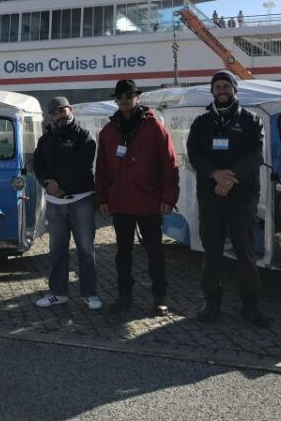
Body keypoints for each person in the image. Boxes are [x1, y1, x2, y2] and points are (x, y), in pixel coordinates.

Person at [186, 71, 268, 327]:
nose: (221, 90)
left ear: (235, 90)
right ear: (212, 91)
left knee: (245, 250)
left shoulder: (252, 120)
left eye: (226, 86)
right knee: (212, 250)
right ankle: (211, 303)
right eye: (217, 86)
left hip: (243, 194)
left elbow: (256, 155)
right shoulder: (201, 122)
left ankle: (251, 305)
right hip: (210, 194)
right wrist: (215, 174)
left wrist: (229, 179)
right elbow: (194, 154)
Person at [96, 79, 179, 316]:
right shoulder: (108, 131)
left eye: (128, 95)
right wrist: (102, 198)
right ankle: (124, 295)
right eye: (120, 96)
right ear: (116, 100)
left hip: (149, 201)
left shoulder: (155, 128)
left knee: (155, 252)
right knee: (123, 253)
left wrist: (169, 198)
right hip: (120, 201)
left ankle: (160, 297)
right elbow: (101, 168)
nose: (124, 100)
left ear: (137, 98)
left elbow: (169, 165)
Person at [33, 96, 101, 310]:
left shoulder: (84, 136)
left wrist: (61, 185)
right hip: (55, 203)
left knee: (86, 250)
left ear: (70, 110)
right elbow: (38, 165)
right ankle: (58, 293)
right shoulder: (45, 139)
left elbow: (82, 166)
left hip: (81, 200)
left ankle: (90, 293)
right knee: (57, 249)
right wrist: (47, 183)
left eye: (62, 111)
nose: (58, 116)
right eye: (54, 113)